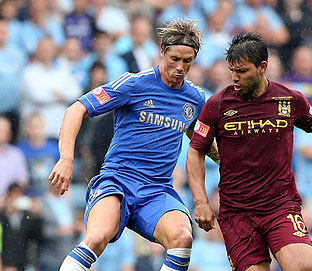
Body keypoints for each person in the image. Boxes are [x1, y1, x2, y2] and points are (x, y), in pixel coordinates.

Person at [186, 32, 312, 271]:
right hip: (237, 213)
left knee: (302, 267)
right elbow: (195, 152)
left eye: (242, 71)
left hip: (280, 206)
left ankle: (306, 256)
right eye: (232, 70)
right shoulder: (217, 105)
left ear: (262, 67)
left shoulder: (287, 99)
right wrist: (201, 201)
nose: (234, 77)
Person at [48, 19, 218, 271]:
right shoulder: (134, 84)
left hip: (157, 190)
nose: (180, 67)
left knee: (183, 238)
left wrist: (234, 164)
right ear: (162, 51)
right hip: (117, 181)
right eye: (174, 59)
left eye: (187, 61)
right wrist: (66, 158)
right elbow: (76, 109)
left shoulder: (194, 99)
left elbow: (203, 142)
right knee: (96, 237)